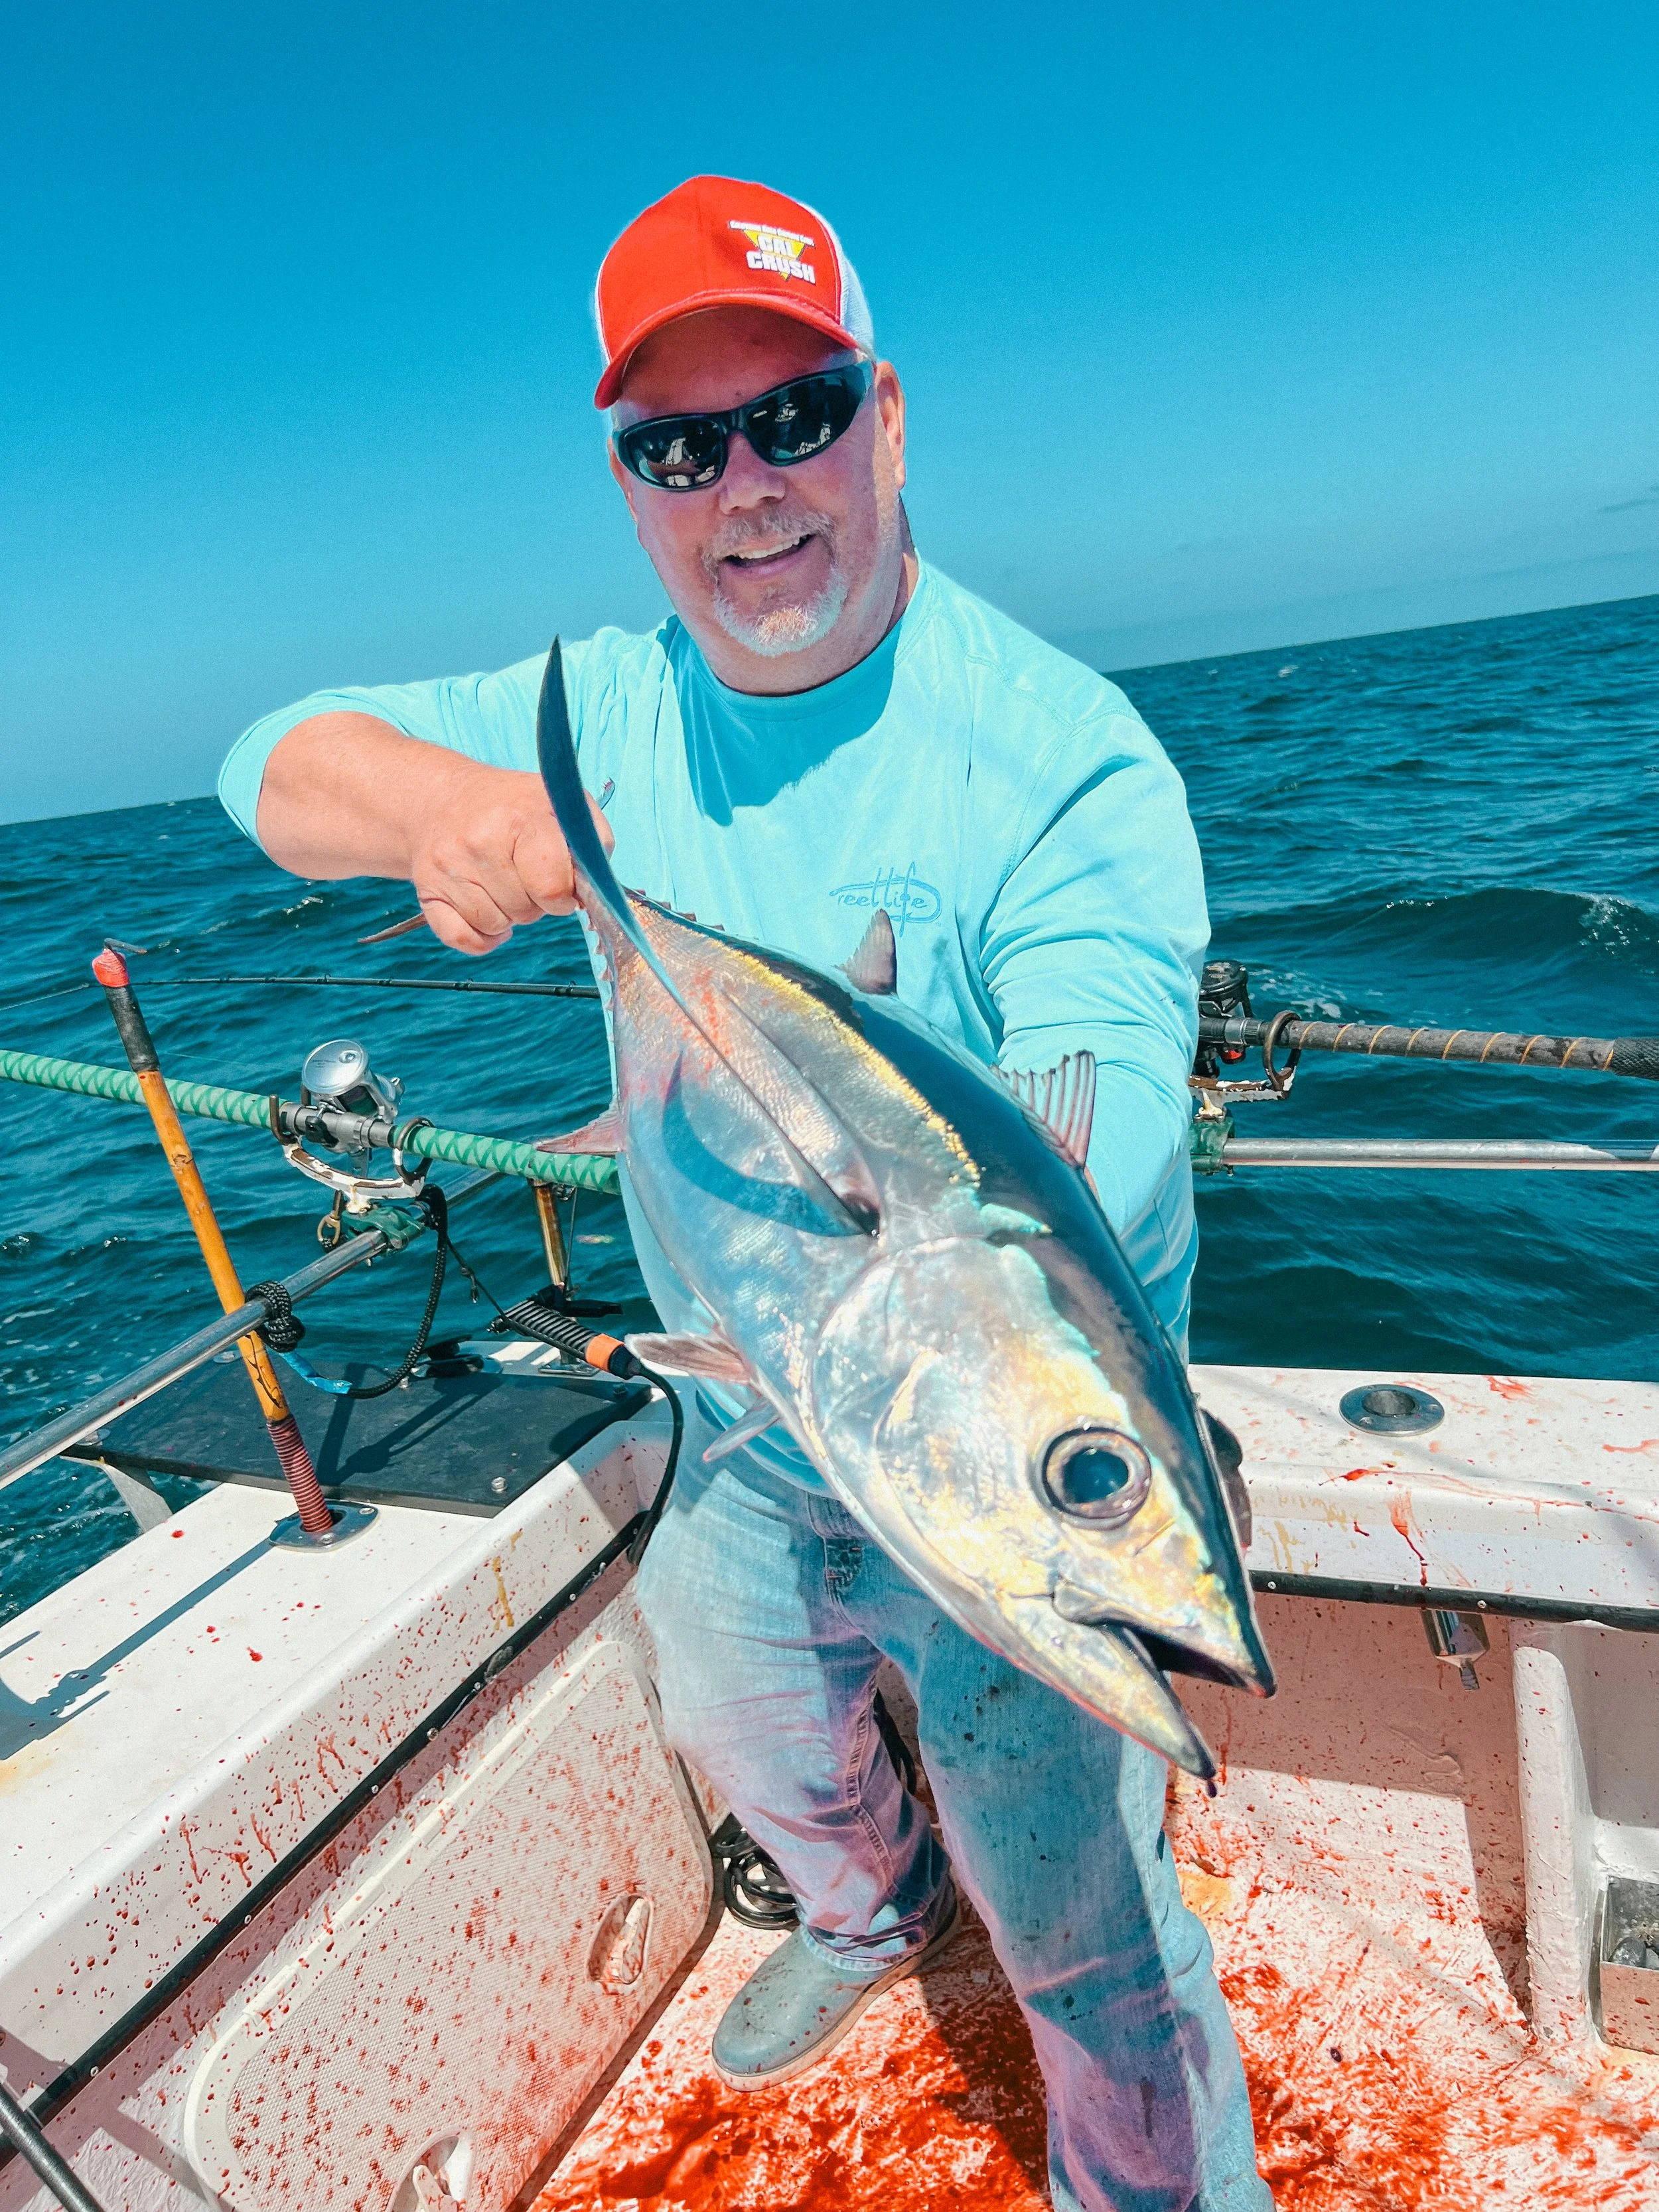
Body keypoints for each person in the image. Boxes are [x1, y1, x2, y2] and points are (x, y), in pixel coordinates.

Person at [220, 175, 1269, 2212]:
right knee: (742, 1720)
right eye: (677, 447)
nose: (745, 488)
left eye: (792, 416)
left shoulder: (1061, 763)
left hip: (971, 1441)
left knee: (1090, 1938)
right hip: (738, 1404)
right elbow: (262, 760)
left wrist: (1039, 1436)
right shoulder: (608, 712)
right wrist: (456, 809)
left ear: (887, 419)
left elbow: (1096, 1114)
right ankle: (867, 1912)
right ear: (630, 485)